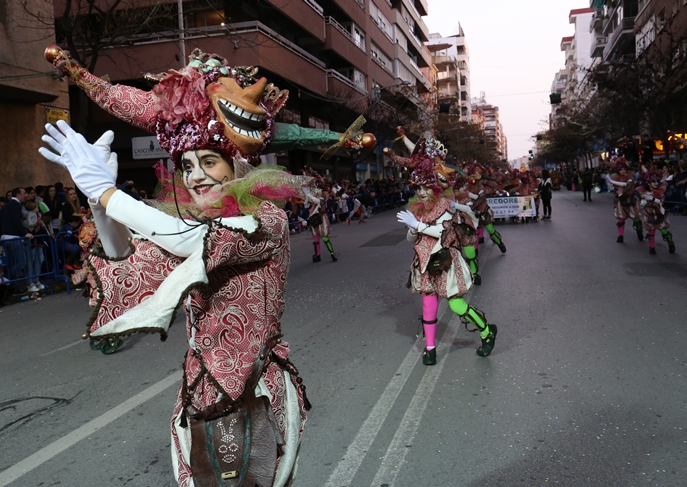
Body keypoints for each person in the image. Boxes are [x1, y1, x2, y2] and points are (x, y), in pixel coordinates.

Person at [39, 47, 372, 487]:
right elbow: (128, 259)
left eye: (208, 161)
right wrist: (99, 203)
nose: (194, 176)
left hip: (249, 391)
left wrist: (107, 193)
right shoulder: (191, 221)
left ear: (238, 164)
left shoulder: (263, 220)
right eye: (187, 164)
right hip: (198, 391)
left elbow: (187, 242)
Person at [386, 138, 499, 365]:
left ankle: (487, 331)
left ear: (434, 187)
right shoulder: (418, 207)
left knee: (457, 305)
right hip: (424, 262)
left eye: (425, 187)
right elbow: (413, 239)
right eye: (418, 188)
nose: (421, 192)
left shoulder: (445, 205)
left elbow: (442, 231)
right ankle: (430, 349)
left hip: (445, 259)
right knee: (428, 305)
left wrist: (417, 225)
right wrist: (411, 229)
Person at [606, 157, 644, 243]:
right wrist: (609, 182)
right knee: (621, 219)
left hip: (631, 200)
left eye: (624, 169)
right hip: (621, 201)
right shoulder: (616, 178)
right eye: (621, 169)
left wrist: (611, 180)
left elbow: (625, 185)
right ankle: (620, 235)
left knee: (636, 218)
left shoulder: (630, 178)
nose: (623, 171)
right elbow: (612, 188)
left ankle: (639, 230)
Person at [638, 168, 675, 255]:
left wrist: (653, 198)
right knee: (651, 231)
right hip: (649, 213)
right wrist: (645, 200)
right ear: (648, 182)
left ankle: (671, 243)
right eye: (653, 181)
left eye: (657, 181)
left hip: (659, 214)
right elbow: (642, 205)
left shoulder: (660, 191)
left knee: (663, 231)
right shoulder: (645, 192)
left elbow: (661, 201)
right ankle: (652, 248)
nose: (656, 183)